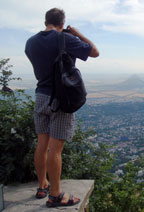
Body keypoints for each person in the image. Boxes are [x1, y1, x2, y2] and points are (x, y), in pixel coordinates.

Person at [25, 8, 99, 207]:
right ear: (62, 22)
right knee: (55, 150)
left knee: (42, 144)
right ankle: (56, 195)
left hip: (41, 96)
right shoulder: (64, 38)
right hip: (61, 98)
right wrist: (76, 33)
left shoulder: (30, 42)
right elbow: (94, 52)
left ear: (45, 22)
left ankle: (43, 186)